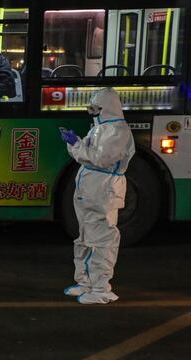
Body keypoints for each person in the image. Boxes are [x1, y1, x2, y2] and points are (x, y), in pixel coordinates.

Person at [60, 88, 135, 304]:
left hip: (103, 189)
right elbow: (86, 155)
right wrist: (74, 143)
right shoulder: (100, 129)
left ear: (107, 108)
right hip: (90, 188)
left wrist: (77, 146)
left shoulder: (117, 131)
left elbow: (101, 159)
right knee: (85, 236)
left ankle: (101, 288)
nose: (92, 112)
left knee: (102, 239)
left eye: (96, 108)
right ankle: (85, 282)